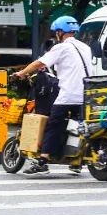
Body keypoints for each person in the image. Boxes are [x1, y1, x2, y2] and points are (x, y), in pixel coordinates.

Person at [12, 16, 94, 175]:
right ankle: (76, 162)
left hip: (69, 94)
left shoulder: (61, 47)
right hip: (87, 95)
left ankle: (43, 161)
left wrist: (22, 73)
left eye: (56, 32)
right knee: (77, 126)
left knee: (54, 123)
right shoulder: (86, 47)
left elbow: (39, 63)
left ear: (60, 32)